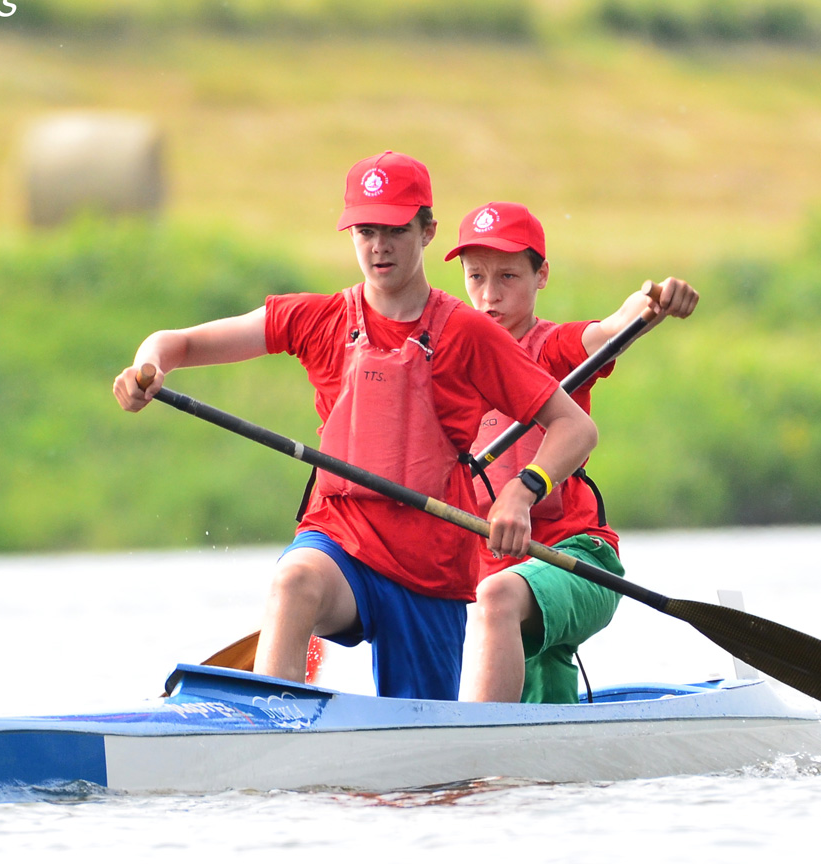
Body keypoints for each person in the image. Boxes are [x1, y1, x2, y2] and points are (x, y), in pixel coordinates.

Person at [112, 153, 599, 700]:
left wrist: (522, 490)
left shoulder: (467, 333)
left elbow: (574, 427)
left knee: (430, 773)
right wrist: (146, 367)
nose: (379, 246)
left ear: (428, 231)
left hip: (430, 573)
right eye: (366, 230)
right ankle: (272, 736)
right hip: (342, 541)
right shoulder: (317, 318)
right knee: (294, 580)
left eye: (395, 230)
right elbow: (178, 343)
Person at [446, 201, 698, 704]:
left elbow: (611, 330)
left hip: (578, 559)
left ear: (542, 276)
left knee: (497, 598)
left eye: (509, 276)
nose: (489, 295)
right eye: (475, 277)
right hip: (488, 568)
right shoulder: (447, 367)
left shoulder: (555, 348)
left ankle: (478, 747)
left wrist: (652, 302)